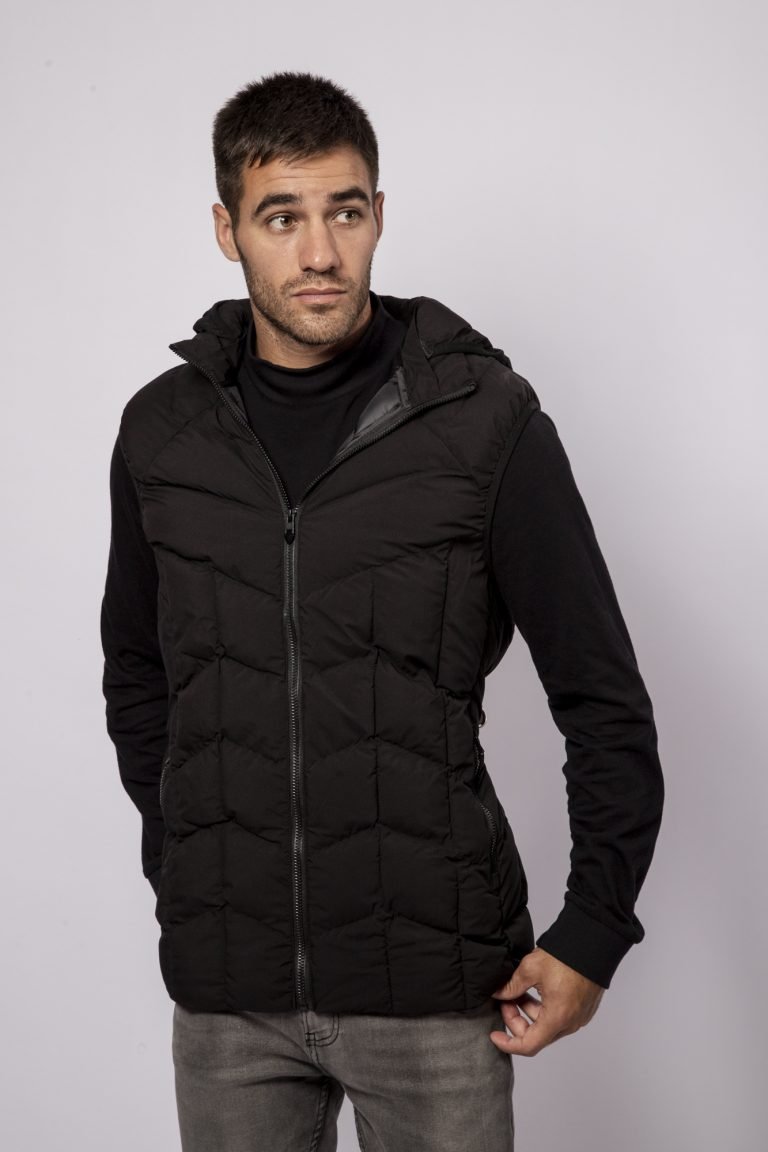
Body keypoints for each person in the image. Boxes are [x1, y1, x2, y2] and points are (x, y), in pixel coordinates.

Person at [99, 71, 664, 1152]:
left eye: (345, 212)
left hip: (436, 995)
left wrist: (595, 930)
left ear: (379, 215)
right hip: (229, 1003)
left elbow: (602, 697)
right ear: (227, 230)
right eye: (282, 217)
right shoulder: (162, 433)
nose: (320, 252)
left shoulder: (486, 424)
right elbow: (139, 676)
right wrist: (186, 863)